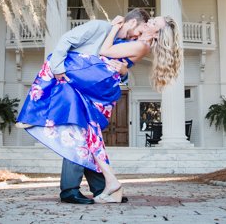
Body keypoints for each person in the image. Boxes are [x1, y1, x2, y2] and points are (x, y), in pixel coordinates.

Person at [17, 12, 182, 204]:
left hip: (92, 83)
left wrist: (124, 70)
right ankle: (100, 187)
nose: (144, 27)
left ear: (157, 33)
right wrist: (58, 67)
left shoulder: (136, 42)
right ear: (133, 22)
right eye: (144, 24)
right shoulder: (100, 27)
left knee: (81, 131)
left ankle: (32, 116)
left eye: (152, 24)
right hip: (86, 80)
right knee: (84, 132)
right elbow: (67, 39)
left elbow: (110, 55)